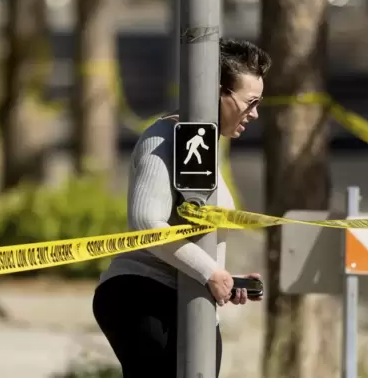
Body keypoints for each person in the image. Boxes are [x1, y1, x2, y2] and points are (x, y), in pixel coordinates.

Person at [92, 38, 270, 377]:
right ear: (213, 91)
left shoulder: (201, 145)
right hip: (143, 295)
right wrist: (210, 273)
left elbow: (195, 229)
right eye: (250, 102)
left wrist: (226, 279)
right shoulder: (164, 137)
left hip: (185, 298)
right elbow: (146, 221)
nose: (255, 113)